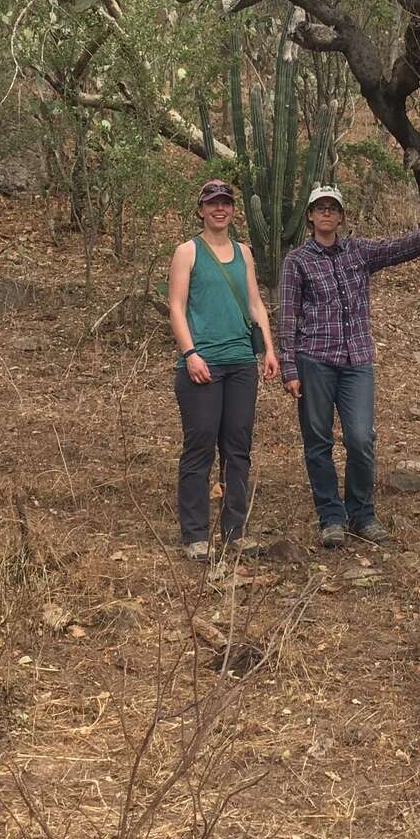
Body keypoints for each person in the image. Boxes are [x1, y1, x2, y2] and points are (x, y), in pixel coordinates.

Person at [277, 183, 420, 548]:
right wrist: (289, 368)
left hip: (357, 361)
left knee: (361, 439)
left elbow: (400, 248)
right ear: (310, 217)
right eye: (320, 208)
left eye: (333, 208)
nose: (327, 214)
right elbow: (287, 317)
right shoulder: (297, 261)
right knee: (318, 441)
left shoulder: (359, 252)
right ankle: (331, 517)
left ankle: (362, 514)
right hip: (314, 359)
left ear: (341, 216)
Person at [167, 180, 278, 559]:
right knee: (199, 447)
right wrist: (191, 353)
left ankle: (236, 531)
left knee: (237, 447)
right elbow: (176, 307)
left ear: (233, 210)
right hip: (203, 364)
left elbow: (255, 304)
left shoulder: (244, 252)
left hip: (241, 364)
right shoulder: (187, 252)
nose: (220, 209)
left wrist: (268, 349)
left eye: (226, 203)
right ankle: (196, 535)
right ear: (201, 209)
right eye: (213, 203)